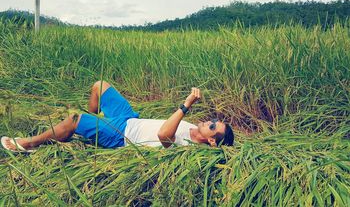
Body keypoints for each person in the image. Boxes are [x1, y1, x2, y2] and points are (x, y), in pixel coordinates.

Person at [1, 81, 234, 152]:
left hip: (122, 135)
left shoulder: (187, 148)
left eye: (213, 126)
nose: (209, 122)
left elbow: (164, 134)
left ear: (212, 141)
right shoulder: (194, 128)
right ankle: (90, 123)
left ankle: (28, 144)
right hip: (129, 118)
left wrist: (186, 105)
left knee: (74, 119)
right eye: (213, 121)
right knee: (100, 86)